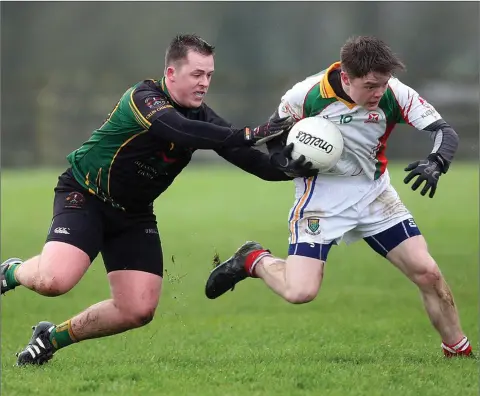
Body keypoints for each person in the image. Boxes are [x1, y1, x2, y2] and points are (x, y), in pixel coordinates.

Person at [1, 34, 314, 366]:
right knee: (53, 282)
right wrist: (251, 133)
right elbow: (176, 129)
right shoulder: (143, 97)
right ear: (171, 73)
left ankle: (49, 339)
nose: (204, 83)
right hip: (86, 195)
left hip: (134, 216)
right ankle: (10, 272)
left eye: (209, 75)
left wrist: (291, 166)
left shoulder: (202, 118)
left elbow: (251, 160)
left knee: (137, 310)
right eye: (197, 74)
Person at [205, 35, 474, 358]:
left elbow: (445, 131)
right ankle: (252, 259)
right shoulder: (305, 95)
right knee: (300, 292)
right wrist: (283, 162)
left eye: (383, 84)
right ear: (346, 78)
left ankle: (457, 350)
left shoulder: (395, 93)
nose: (379, 93)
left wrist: (437, 161)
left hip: (374, 195)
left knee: (427, 272)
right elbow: (274, 135)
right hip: (322, 197)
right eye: (371, 85)